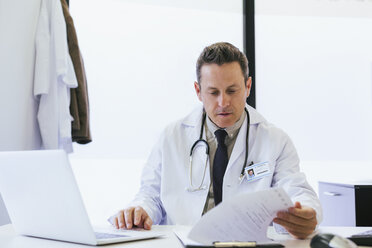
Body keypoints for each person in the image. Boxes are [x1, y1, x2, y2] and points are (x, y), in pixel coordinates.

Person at [111, 42, 322, 239]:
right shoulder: (171, 136)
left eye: (232, 90)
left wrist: (305, 212)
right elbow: (151, 195)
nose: (223, 102)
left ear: (248, 87)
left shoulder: (275, 140)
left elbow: (297, 191)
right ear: (198, 91)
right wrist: (140, 211)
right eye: (213, 92)